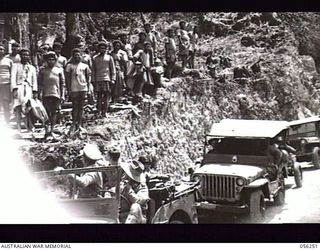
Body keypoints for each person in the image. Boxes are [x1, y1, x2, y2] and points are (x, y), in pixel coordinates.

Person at [38, 51, 65, 137]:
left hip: (56, 94)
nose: (50, 61)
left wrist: (63, 95)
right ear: (46, 60)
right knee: (45, 113)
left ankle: (52, 130)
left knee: (54, 113)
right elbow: (40, 83)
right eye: (49, 60)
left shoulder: (59, 70)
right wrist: (39, 93)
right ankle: (46, 130)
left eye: (52, 60)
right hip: (46, 94)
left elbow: (62, 84)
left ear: (55, 60)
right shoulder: (42, 71)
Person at [65, 48, 92, 134]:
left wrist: (88, 88)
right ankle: (73, 124)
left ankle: (79, 124)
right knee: (75, 106)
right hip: (74, 88)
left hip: (83, 88)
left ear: (81, 56)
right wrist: (69, 89)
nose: (77, 57)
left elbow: (88, 78)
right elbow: (67, 79)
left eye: (78, 55)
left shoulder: (85, 66)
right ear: (73, 57)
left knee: (81, 107)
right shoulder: (69, 66)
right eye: (75, 55)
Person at [11, 49, 38, 132]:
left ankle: (30, 127)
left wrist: (35, 91)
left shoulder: (32, 68)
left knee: (29, 107)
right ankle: (19, 128)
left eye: (27, 55)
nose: (25, 56)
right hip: (19, 88)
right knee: (18, 107)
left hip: (29, 88)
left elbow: (34, 80)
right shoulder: (15, 66)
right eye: (23, 55)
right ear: (20, 56)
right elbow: (13, 78)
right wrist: (14, 89)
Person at [92, 42, 116, 118]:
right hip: (98, 79)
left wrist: (113, 79)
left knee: (106, 97)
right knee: (99, 96)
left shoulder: (109, 58)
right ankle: (98, 111)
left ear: (106, 49)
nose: (102, 50)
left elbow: (113, 69)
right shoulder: (95, 58)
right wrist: (93, 80)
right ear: (98, 49)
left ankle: (104, 112)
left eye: (104, 48)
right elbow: (93, 70)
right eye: (101, 48)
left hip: (106, 79)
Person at [0, 44, 13, 124]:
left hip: (6, 84)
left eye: (1, 49)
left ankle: (7, 122)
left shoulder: (8, 61)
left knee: (6, 104)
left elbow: (12, 73)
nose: (0, 51)